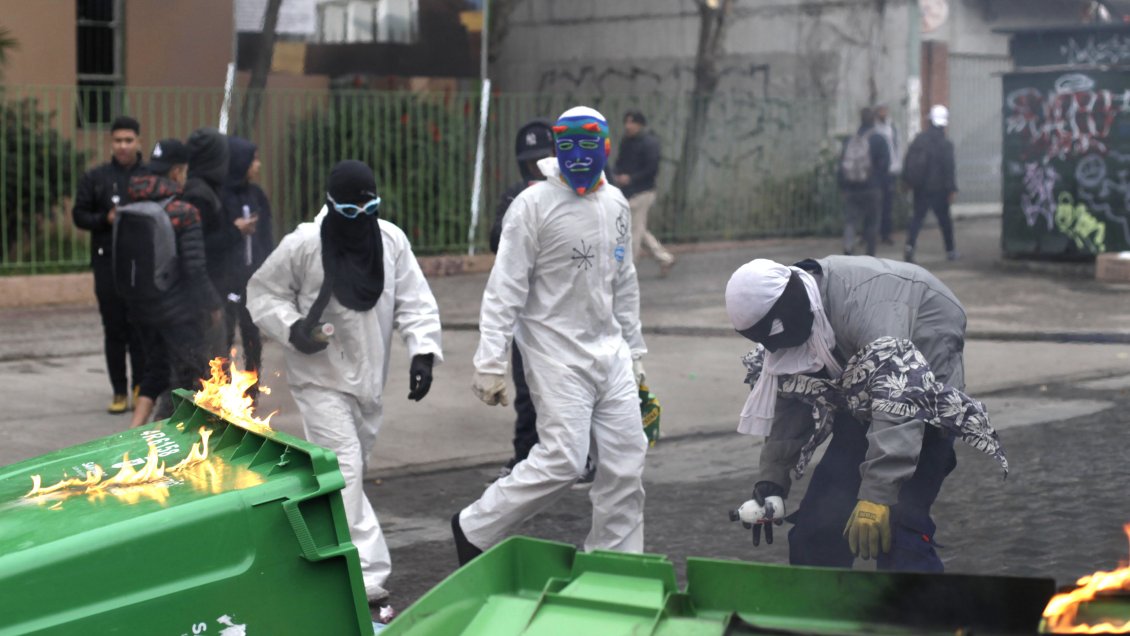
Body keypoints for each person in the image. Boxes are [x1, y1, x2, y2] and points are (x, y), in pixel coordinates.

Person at [453, 106, 648, 565]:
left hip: (611, 352)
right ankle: (475, 527)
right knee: (564, 459)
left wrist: (636, 354)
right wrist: (489, 362)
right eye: (568, 145)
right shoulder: (533, 205)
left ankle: (614, 562)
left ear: (605, 146)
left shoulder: (616, 203)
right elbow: (504, 287)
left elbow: (625, 281)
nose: (578, 156)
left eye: (588, 145)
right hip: (555, 354)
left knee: (626, 461)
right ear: (557, 148)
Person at [724, 256, 1004, 572]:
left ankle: (924, 616)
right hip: (863, 403)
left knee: (899, 530)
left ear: (787, 312)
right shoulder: (796, 315)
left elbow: (900, 396)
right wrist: (771, 482)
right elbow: (792, 400)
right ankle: (823, 615)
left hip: (923, 402)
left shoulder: (868, 309)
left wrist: (877, 496)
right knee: (815, 533)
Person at [247, 159, 443, 607]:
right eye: (350, 213)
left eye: (369, 207)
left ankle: (310, 550)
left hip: (370, 383)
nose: (361, 220)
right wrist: (293, 325)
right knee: (345, 468)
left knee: (348, 472)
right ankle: (364, 576)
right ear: (332, 207)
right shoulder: (305, 245)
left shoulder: (390, 240)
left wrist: (423, 351)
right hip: (319, 380)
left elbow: (415, 299)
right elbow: (263, 292)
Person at [122, 139, 222, 427]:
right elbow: (194, 267)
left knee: (154, 371)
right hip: (177, 311)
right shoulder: (184, 211)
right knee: (191, 377)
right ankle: (163, 441)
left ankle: (131, 434)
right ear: (178, 171)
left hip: (140, 306)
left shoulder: (133, 205)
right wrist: (212, 305)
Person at [489, 119, 554, 481]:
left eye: (544, 160)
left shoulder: (571, 197)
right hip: (526, 313)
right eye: (532, 163)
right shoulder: (515, 195)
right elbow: (495, 242)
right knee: (526, 388)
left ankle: (582, 458)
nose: (538, 168)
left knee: (572, 391)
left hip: (562, 312)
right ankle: (523, 455)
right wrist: (520, 208)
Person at [71, 115, 148, 414]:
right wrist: (106, 218)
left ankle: (142, 387)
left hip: (142, 264)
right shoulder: (96, 177)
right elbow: (79, 215)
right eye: (118, 140)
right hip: (107, 264)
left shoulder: (149, 176)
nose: (123, 146)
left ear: (138, 141)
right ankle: (119, 391)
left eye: (129, 140)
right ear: (110, 143)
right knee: (114, 328)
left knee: (141, 326)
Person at [182, 128, 241, 357]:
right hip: (205, 293)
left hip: (216, 286)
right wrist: (236, 231)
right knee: (208, 360)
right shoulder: (199, 194)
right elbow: (201, 246)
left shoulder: (209, 189)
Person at [220, 136, 274, 389]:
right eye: (253, 159)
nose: (258, 165)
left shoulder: (257, 195)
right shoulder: (221, 197)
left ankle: (252, 389)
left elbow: (266, 236)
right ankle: (221, 389)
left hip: (252, 280)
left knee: (252, 336)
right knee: (224, 336)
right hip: (225, 281)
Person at [612, 110, 675, 277]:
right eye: (626, 122)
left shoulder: (649, 143)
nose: (628, 125)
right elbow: (620, 162)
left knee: (633, 229)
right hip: (628, 191)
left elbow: (651, 169)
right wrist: (618, 175)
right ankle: (664, 258)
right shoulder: (627, 141)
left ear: (640, 124)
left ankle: (628, 267)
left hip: (643, 191)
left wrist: (631, 178)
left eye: (632, 122)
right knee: (638, 228)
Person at [903, 105, 959, 263]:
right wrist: (951, 189)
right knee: (945, 222)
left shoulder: (919, 139)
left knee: (917, 219)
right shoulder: (945, 143)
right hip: (939, 189)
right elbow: (949, 168)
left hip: (920, 188)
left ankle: (909, 247)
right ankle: (950, 250)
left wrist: (907, 180)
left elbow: (908, 160)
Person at [837, 108, 890, 257]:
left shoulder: (850, 140)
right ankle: (870, 254)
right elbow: (885, 165)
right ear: (874, 120)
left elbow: (841, 164)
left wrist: (843, 186)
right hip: (872, 188)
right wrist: (880, 184)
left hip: (851, 188)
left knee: (850, 221)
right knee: (872, 222)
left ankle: (848, 248)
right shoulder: (879, 139)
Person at [873, 104, 901, 245]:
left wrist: (897, 166)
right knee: (874, 205)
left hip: (891, 170)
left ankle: (886, 234)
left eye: (886, 111)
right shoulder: (874, 128)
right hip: (877, 172)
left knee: (887, 205)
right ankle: (871, 234)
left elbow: (896, 147)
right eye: (881, 111)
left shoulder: (892, 127)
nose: (884, 114)